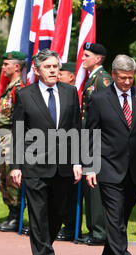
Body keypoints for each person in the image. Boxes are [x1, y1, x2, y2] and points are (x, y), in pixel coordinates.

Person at [10, 49, 82, 255]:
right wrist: (15, 165)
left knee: (57, 213)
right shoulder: (25, 94)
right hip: (34, 165)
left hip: (63, 166)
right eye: (48, 67)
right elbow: (18, 131)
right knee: (38, 215)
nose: (53, 70)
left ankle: (44, 247)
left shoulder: (70, 92)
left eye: (55, 66)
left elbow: (76, 129)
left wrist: (79, 161)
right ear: (37, 70)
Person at [85, 54, 136, 255]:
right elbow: (90, 135)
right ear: (113, 75)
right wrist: (90, 166)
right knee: (114, 218)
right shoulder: (99, 98)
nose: (127, 82)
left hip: (135, 169)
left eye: (130, 78)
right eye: (123, 78)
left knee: (122, 219)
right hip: (108, 167)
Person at [80, 42, 113, 246]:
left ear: (98, 59)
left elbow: (107, 111)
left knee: (94, 187)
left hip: (97, 140)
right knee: (88, 186)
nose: (82, 59)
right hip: (87, 138)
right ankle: (93, 228)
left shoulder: (104, 79)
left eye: (86, 55)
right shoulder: (91, 78)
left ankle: (99, 231)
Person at [0, 51, 26, 232]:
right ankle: (11, 212)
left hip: (12, 138)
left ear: (16, 67)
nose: (3, 67)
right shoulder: (9, 88)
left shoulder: (19, 89)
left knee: (12, 178)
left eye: (6, 64)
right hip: (3, 137)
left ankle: (16, 214)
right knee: (4, 177)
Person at [56, 62, 80, 241]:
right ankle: (65, 223)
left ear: (71, 76)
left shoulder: (72, 93)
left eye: (61, 73)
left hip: (71, 146)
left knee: (71, 192)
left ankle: (71, 225)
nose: (57, 76)